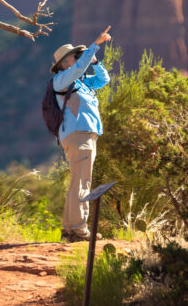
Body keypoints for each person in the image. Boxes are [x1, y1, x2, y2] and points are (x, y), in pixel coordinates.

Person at [51, 26, 112, 242]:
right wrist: (94, 46)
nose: (78, 59)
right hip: (79, 135)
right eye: (74, 57)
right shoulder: (62, 80)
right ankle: (79, 229)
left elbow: (104, 80)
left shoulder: (80, 83)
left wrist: (94, 61)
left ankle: (69, 228)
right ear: (64, 63)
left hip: (84, 134)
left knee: (78, 180)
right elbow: (77, 69)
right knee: (82, 181)